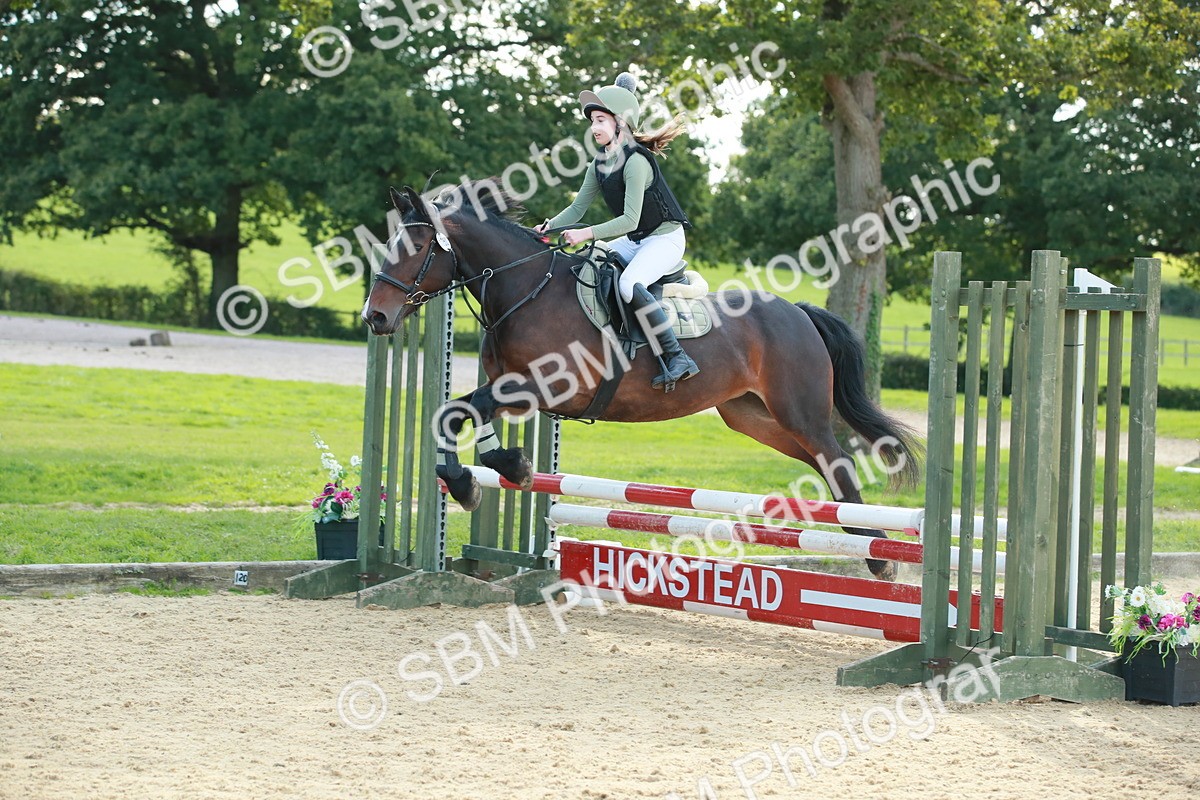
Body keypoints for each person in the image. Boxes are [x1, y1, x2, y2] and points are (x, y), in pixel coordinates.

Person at [535, 72, 699, 391]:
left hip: (665, 238)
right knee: (590, 262)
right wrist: (549, 226)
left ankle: (677, 356)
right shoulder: (599, 163)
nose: (594, 128)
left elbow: (630, 220)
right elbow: (577, 209)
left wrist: (586, 234)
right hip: (638, 240)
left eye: (600, 120)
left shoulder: (636, 161)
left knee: (629, 283)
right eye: (593, 121)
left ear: (620, 123)